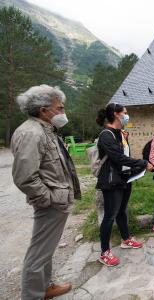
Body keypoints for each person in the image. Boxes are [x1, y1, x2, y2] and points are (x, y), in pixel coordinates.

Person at [11, 85, 81, 299]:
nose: (63, 112)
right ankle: (32, 295)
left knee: (46, 249)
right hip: (51, 203)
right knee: (38, 253)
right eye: (59, 108)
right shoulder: (31, 133)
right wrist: (48, 199)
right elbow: (25, 177)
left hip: (57, 200)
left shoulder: (44, 129)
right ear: (43, 110)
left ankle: (46, 287)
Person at [96, 103, 152, 267]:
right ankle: (104, 252)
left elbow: (126, 155)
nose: (127, 116)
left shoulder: (120, 133)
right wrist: (142, 163)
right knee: (109, 216)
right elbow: (118, 158)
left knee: (122, 211)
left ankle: (126, 239)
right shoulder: (106, 135)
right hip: (112, 181)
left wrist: (134, 167)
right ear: (116, 114)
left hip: (124, 178)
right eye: (125, 113)